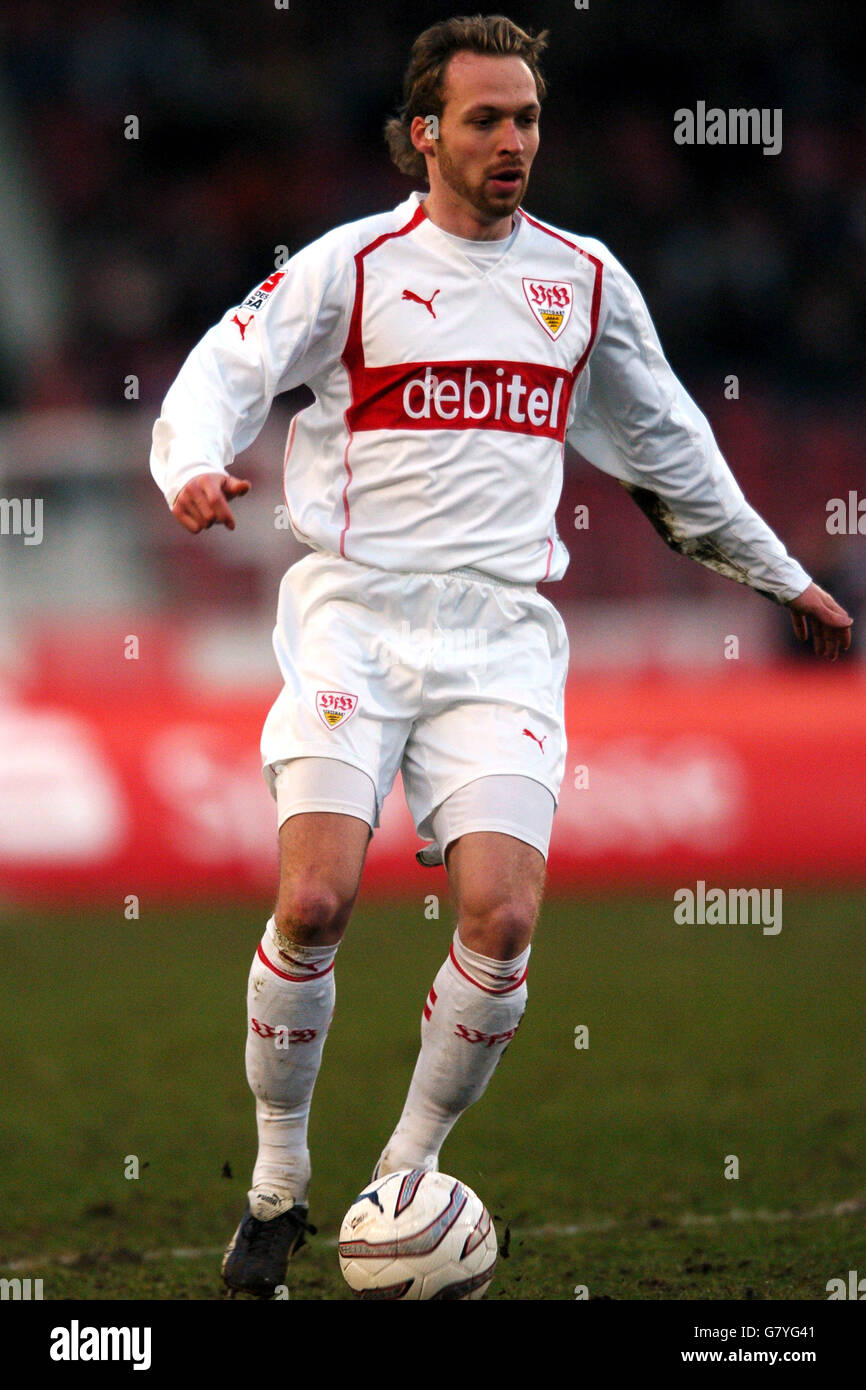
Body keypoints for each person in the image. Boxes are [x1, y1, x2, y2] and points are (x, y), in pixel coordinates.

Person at [150, 14, 852, 1298]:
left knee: (505, 914)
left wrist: (779, 570)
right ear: (427, 135)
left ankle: (401, 1176)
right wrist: (193, 461)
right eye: (485, 118)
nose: (512, 140)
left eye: (526, 117)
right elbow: (223, 365)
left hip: (500, 641)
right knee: (312, 902)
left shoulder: (583, 281)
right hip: (353, 615)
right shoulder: (352, 267)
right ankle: (276, 1186)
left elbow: (669, 444)